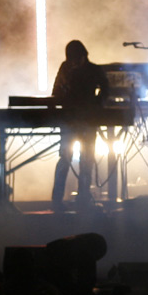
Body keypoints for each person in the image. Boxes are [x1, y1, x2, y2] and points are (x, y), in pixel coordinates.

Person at [50, 40, 111, 210]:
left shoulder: (94, 70)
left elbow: (106, 89)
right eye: (71, 60)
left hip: (86, 120)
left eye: (75, 59)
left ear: (83, 56)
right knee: (66, 159)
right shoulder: (66, 68)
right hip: (71, 120)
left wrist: (97, 104)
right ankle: (57, 201)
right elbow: (56, 91)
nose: (73, 63)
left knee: (86, 160)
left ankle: (82, 199)